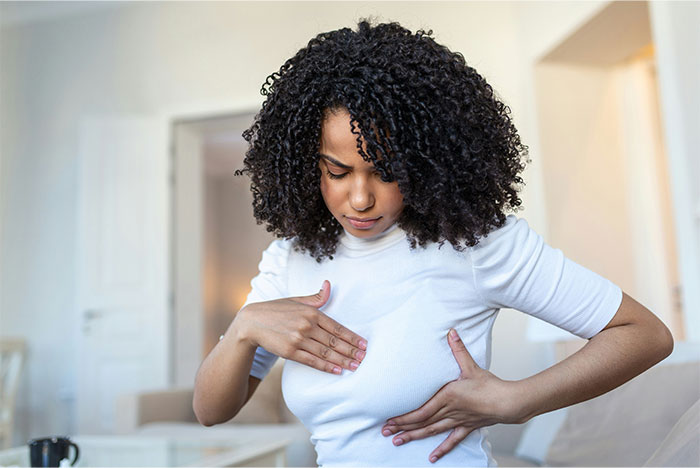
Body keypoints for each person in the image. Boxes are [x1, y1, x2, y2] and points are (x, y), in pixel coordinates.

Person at [192, 19, 674, 466]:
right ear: (306, 164)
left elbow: (645, 334)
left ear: (425, 162)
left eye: (387, 173)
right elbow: (211, 411)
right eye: (337, 172)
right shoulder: (289, 261)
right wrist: (245, 327)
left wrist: (519, 400)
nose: (359, 198)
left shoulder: (475, 245)